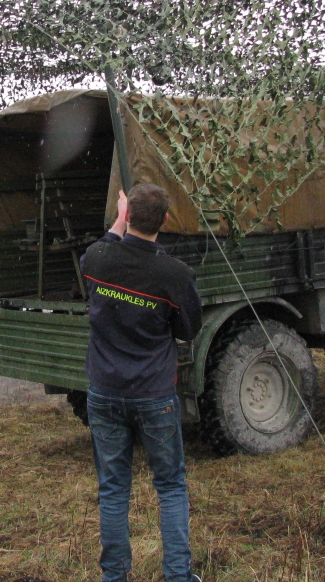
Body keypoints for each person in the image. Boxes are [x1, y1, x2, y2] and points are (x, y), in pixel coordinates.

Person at [79, 185, 203, 582]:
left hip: (104, 393)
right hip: (155, 397)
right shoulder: (176, 274)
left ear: (128, 216)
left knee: (113, 488)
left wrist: (118, 216)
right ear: (165, 221)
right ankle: (178, 577)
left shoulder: (97, 259)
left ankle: (114, 576)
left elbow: (102, 248)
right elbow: (188, 329)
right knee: (170, 486)